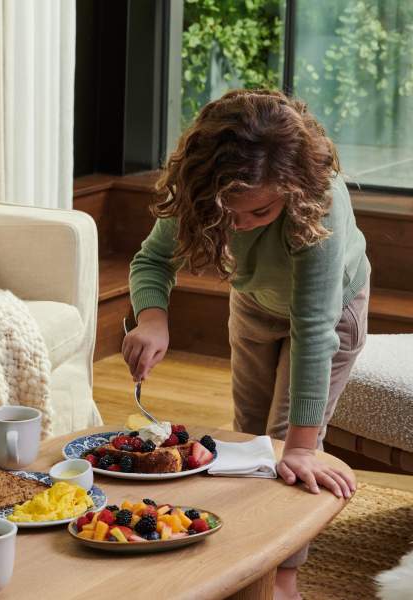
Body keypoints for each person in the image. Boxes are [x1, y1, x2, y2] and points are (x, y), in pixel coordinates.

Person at [122, 89, 366, 600]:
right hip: (254, 305)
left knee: (283, 450)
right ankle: (246, 565)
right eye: (227, 212)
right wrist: (153, 320)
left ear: (292, 189)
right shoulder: (207, 187)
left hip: (329, 316)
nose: (238, 225)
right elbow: (152, 260)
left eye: (258, 211)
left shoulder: (318, 200)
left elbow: (314, 328)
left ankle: (282, 583)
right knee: (249, 440)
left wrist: (302, 446)